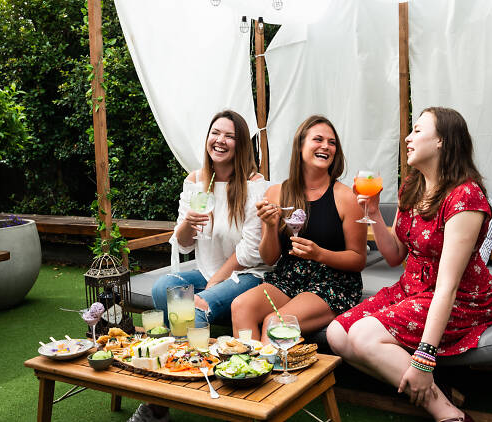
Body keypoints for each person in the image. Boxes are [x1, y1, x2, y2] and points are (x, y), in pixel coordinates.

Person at [326, 107, 492, 422]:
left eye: (417, 131)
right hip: (412, 288)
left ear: (443, 141)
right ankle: (437, 388)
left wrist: (424, 359)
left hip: (459, 299)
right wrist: (375, 214)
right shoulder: (412, 186)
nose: (408, 137)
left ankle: (448, 413)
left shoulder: (465, 198)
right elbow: (394, 255)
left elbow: (448, 286)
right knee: (337, 333)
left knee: (362, 335)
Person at [131, 110, 268, 422]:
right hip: (207, 270)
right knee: (162, 288)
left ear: (241, 144)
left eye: (229, 135)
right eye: (215, 133)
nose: (220, 140)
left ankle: (176, 391)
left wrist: (212, 285)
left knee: (196, 306)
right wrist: (187, 226)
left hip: (246, 275)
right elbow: (183, 243)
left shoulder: (255, 186)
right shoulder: (194, 182)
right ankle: (184, 374)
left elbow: (248, 251)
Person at [230, 115, 367, 343]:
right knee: (240, 306)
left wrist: (319, 254)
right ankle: (249, 375)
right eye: (318, 139)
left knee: (275, 324)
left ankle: (274, 376)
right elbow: (270, 257)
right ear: (300, 145)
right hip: (289, 277)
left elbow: (358, 259)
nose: (326, 146)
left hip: (333, 282)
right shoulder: (276, 193)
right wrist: (272, 227)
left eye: (332, 142)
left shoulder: (346, 197)